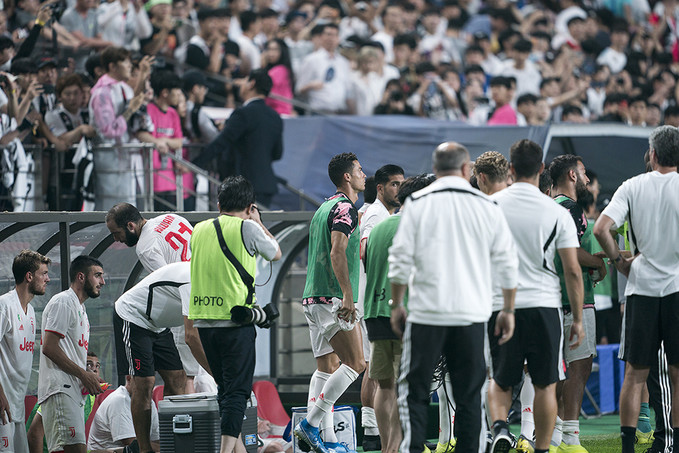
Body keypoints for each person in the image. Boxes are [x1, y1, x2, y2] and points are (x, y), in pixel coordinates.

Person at [389, 142, 518, 453]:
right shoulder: (486, 205)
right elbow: (507, 263)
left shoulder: (417, 203)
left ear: (435, 169)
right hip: (471, 315)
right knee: (471, 395)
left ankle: (413, 449)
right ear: (465, 169)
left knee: (414, 392)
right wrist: (508, 309)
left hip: (426, 315)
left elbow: (400, 259)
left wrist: (397, 304)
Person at [487, 139, 584, 453]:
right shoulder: (556, 211)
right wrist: (578, 318)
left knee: (500, 379)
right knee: (545, 383)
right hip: (544, 305)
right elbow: (572, 269)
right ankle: (541, 447)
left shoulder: (491, 206)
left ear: (511, 168)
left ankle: (500, 428)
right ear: (542, 168)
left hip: (500, 305)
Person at [592, 125, 679, 453]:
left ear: (652, 154)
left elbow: (602, 228)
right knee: (677, 376)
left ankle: (628, 448)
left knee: (634, 375)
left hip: (641, 289)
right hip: (676, 287)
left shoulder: (632, 186)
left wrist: (620, 262)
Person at [189, 176, 281, 453]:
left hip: (204, 321)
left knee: (225, 391)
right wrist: (258, 222)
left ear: (218, 204)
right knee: (238, 392)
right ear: (250, 206)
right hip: (235, 321)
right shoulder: (247, 227)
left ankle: (237, 449)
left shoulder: (199, 229)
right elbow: (275, 253)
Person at [295, 153, 367, 453]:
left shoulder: (323, 208)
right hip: (333, 298)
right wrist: (348, 295)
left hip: (312, 297)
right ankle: (310, 424)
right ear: (347, 177)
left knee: (326, 367)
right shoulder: (345, 208)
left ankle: (329, 440)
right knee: (356, 363)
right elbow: (338, 252)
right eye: (359, 170)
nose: (364, 175)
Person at [363, 174, 435, 453]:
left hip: (374, 312)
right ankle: (396, 447)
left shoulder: (379, 227)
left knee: (384, 386)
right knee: (407, 386)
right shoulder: (417, 228)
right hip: (405, 314)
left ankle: (386, 447)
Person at [115, 262, 210, 453]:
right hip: (134, 316)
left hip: (159, 325)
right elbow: (191, 337)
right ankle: (144, 449)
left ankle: (173, 444)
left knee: (178, 378)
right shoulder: (191, 279)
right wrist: (215, 373)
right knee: (145, 382)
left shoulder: (214, 283)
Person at [548, 154, 607, 452]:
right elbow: (569, 252)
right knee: (578, 368)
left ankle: (555, 435)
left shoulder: (549, 206)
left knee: (558, 373)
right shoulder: (570, 208)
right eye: (583, 173)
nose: (586, 179)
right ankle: (569, 438)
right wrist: (598, 264)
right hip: (575, 301)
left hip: (551, 299)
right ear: (572, 175)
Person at [357, 164, 404, 452]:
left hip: (376, 302)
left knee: (376, 374)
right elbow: (363, 251)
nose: (398, 189)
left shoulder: (383, 216)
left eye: (401, 184)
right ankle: (371, 431)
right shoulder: (376, 214)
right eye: (394, 184)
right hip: (379, 301)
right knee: (372, 372)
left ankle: (375, 433)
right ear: (380, 188)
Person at [38, 255, 106, 453]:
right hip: (60, 389)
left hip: (72, 391)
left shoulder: (81, 309)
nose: (103, 281)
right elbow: (49, 348)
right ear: (81, 277)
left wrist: (88, 377)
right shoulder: (64, 302)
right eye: (98, 275)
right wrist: (83, 374)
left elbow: (69, 353)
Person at [195, 69, 283, 207]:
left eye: (244, 80)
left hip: (243, 186)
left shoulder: (243, 113)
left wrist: (194, 164)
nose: (240, 84)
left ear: (251, 84)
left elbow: (221, 142)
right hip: (266, 184)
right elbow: (278, 153)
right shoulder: (275, 116)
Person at [0, 250, 50, 453]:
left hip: (17, 406)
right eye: (43, 273)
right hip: (2, 405)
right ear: (29, 276)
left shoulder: (31, 313)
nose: (48, 279)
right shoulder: (4, 305)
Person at [89, 46, 146, 210]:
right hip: (108, 158)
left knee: (129, 205)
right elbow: (108, 130)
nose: (129, 66)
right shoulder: (102, 93)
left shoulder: (124, 88)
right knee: (111, 207)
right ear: (112, 66)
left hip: (126, 156)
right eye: (125, 62)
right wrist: (130, 111)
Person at [27, 351, 102, 453]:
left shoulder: (91, 396)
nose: (94, 369)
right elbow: (34, 434)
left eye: (97, 366)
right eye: (88, 365)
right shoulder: (60, 391)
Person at [87, 375, 160, 451]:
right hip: (109, 451)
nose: (148, 386)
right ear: (129, 379)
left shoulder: (149, 402)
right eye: (144, 382)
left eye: (150, 382)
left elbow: (157, 439)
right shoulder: (119, 400)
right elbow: (133, 444)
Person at [263, 38, 295, 116]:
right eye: (269, 49)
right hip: (277, 112)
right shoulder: (283, 69)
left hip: (278, 113)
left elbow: (262, 83)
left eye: (275, 50)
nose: (271, 53)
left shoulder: (280, 70)